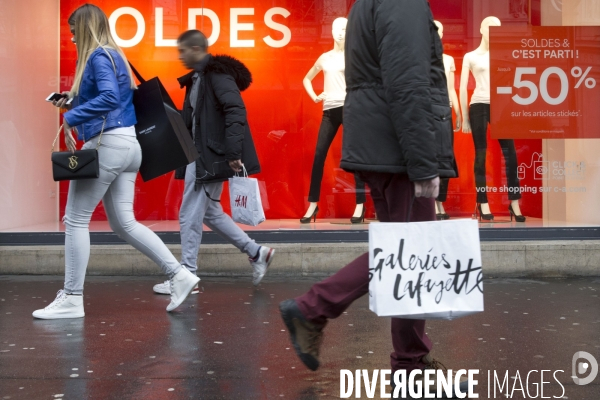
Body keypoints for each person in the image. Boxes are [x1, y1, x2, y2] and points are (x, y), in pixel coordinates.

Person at [279, 0, 468, 396]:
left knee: (405, 256)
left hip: (382, 144)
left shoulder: (370, 4)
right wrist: (424, 163)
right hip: (399, 151)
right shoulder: (402, 3)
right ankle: (313, 309)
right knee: (408, 252)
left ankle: (411, 362)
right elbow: (408, 84)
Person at [33, 4, 199, 319]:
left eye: (73, 32)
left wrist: (71, 116)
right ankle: (179, 275)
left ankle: (71, 297)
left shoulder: (97, 56)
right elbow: (114, 97)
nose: (71, 40)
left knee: (76, 220)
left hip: (108, 144)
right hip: (128, 145)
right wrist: (75, 101)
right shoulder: (114, 55)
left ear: (84, 29)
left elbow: (109, 98)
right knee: (124, 223)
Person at [151, 30, 274, 296]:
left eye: (182, 50)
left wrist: (232, 152)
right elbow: (197, 121)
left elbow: (236, 110)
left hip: (209, 157)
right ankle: (256, 253)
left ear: (196, 48)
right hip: (204, 155)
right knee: (209, 213)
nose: (180, 55)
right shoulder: (198, 78)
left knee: (189, 214)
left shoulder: (216, 75)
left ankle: (187, 275)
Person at [300, 17, 367, 224]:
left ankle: (360, 204)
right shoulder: (325, 57)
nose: (340, 32)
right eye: (337, 28)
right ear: (330, 31)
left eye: (345, 29)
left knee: (354, 156)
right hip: (329, 110)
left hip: (350, 109)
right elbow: (306, 78)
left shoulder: (355, 56)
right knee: (319, 154)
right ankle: (313, 203)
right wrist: (315, 96)